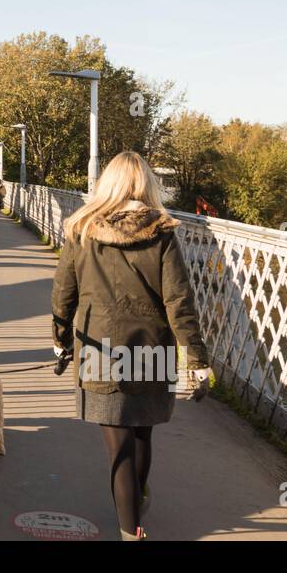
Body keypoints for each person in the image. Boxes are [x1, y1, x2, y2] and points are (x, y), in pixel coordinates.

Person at [50, 151, 211, 541]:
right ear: (146, 185)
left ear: (108, 184)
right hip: (151, 349)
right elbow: (179, 301)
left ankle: (130, 530)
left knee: (117, 446)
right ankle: (137, 500)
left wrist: (60, 340)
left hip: (99, 350)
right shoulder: (161, 232)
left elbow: (63, 294)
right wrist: (197, 359)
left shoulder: (82, 230)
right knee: (141, 435)